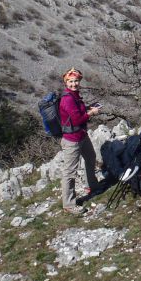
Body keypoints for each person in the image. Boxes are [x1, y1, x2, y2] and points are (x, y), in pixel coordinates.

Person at [58, 68, 101, 214]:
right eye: (70, 81)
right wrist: (91, 113)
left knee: (90, 157)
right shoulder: (68, 98)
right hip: (72, 140)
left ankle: (92, 186)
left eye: (76, 81)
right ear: (66, 83)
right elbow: (77, 119)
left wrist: (88, 108)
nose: (74, 84)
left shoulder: (74, 95)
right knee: (70, 172)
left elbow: (78, 112)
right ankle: (69, 205)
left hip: (81, 136)